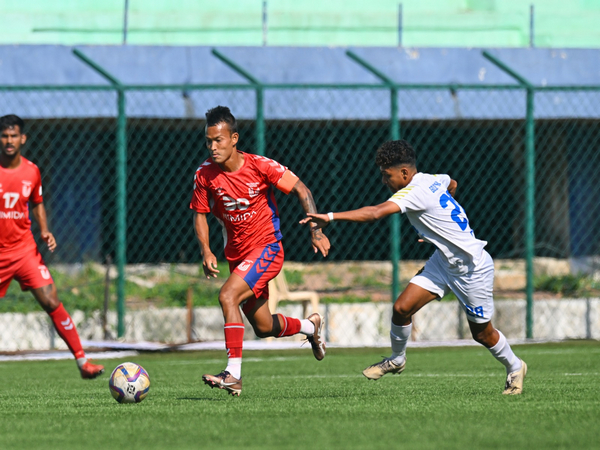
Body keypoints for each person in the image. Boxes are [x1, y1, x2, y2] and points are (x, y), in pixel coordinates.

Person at [301, 139, 527, 395]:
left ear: (405, 173)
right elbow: (451, 183)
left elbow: (375, 213)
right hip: (443, 262)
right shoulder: (431, 179)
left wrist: (330, 217)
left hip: (471, 267)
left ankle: (515, 366)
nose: (384, 182)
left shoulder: (414, 191)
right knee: (401, 308)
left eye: (387, 176)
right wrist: (436, 228)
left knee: (482, 334)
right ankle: (397, 359)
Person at [190, 106, 330, 396]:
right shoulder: (205, 175)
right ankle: (309, 326)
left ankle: (233, 375)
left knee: (227, 295)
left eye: (219, 140)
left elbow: (303, 190)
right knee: (264, 326)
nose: (213, 147)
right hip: (238, 258)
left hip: (267, 249)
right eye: (208, 141)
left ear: (234, 138)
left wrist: (316, 231)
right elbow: (199, 214)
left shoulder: (261, 166)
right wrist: (206, 250)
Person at [0, 114, 104, 379]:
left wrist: (44, 229)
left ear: (22, 138)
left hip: (24, 251)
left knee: (51, 299)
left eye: (13, 135)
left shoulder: (31, 171)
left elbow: (36, 202)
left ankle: (83, 362)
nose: (9, 140)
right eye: (4, 135)